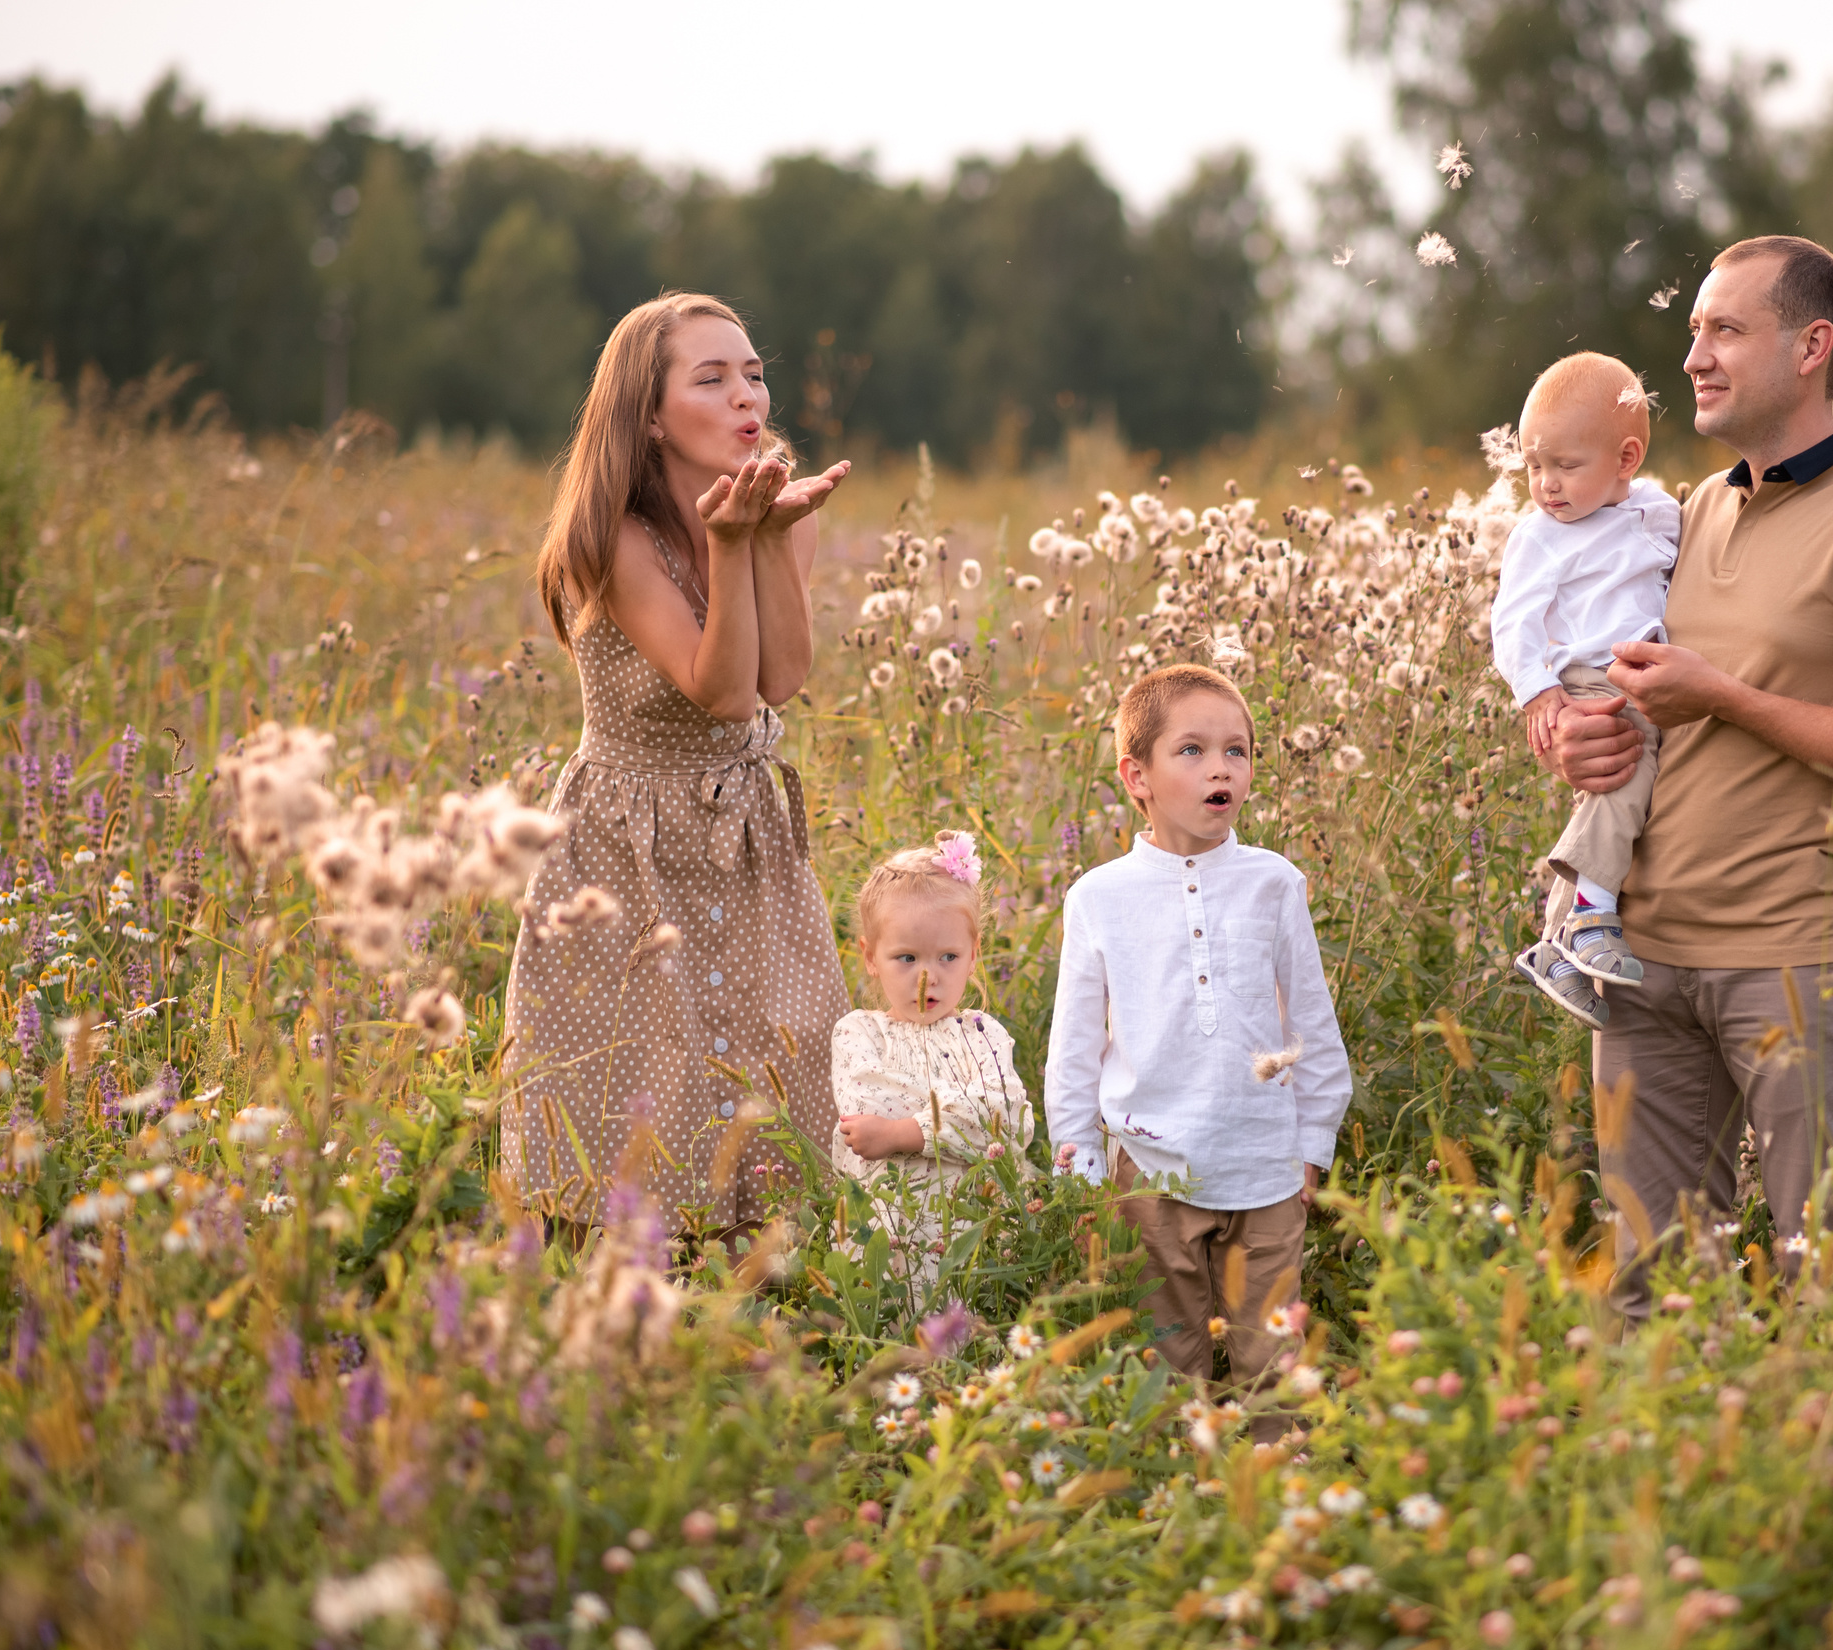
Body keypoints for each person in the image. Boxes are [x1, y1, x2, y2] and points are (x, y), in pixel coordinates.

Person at [1542, 236, 1833, 1310]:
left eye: (1725, 330)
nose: (1694, 356)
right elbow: (1618, 684)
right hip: (1641, 970)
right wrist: (1566, 731)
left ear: (1811, 346)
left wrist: (1719, 696)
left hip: (1797, 965)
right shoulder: (1684, 510)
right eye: (1692, 330)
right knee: (1648, 1299)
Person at [501, 291, 855, 1234]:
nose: (748, 396)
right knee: (637, 1081)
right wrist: (734, 544)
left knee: (788, 1050)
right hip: (625, 844)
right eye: (713, 378)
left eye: (753, 372)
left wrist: (767, 537)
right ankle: (632, 1314)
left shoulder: (785, 511)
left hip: (746, 831)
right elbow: (719, 689)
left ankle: (780, 1300)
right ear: (651, 414)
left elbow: (779, 680)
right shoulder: (610, 540)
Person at [1043, 663, 1352, 1389]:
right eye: (1192, 750)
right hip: (1149, 1169)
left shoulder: (1274, 882)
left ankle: (1282, 1483)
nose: (1221, 768)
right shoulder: (1100, 897)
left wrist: (1313, 1139)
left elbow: (1310, 1016)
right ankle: (1179, 1486)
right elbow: (1076, 1043)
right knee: (1166, 1362)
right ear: (1136, 775)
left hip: (1265, 1164)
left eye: (1237, 750)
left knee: (1273, 1358)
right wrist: (1081, 1161)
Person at [1490, 350, 1683, 1030]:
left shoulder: (1659, 511)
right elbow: (1513, 621)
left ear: (1626, 459)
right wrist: (1538, 693)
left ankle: (1556, 948)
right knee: (1629, 768)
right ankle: (1590, 918)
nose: (1545, 484)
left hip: (1638, 668)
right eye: (1533, 466)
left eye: (1564, 466)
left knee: (1613, 789)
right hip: (1590, 677)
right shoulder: (1540, 536)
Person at [828, 831, 1036, 1286]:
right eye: (906, 957)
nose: (929, 976)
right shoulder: (858, 1033)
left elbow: (1012, 1120)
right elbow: (866, 1114)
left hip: (975, 1234)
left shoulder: (984, 1035)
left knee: (976, 1339)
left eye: (948, 956)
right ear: (870, 956)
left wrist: (904, 1132)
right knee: (891, 1345)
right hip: (885, 1238)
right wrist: (965, 1114)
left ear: (974, 954)